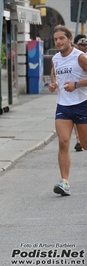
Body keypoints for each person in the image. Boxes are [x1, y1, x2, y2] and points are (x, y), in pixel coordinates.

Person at [48, 25, 87, 196]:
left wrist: (77, 85)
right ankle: (64, 182)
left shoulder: (80, 57)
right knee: (63, 142)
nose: (58, 42)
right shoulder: (55, 58)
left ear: (70, 39)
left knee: (85, 144)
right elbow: (54, 71)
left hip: (82, 103)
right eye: (56, 39)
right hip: (63, 105)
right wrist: (53, 83)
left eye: (61, 38)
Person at [72, 34, 87, 151]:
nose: (85, 47)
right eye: (82, 45)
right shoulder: (70, 57)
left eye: (86, 45)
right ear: (76, 45)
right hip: (75, 95)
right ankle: (78, 139)